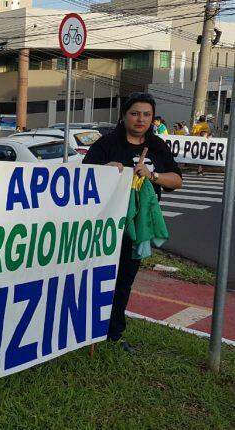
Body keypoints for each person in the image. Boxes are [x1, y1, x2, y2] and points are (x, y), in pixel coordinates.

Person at [82, 92, 182, 353]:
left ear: (152, 118)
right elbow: (83, 179)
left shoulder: (158, 146)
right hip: (105, 228)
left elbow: (177, 180)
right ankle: (85, 330)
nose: (141, 119)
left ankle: (114, 333)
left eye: (146, 114)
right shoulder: (106, 145)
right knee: (97, 278)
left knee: (124, 281)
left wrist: (153, 175)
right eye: (135, 113)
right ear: (124, 115)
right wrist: (103, 171)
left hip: (137, 228)